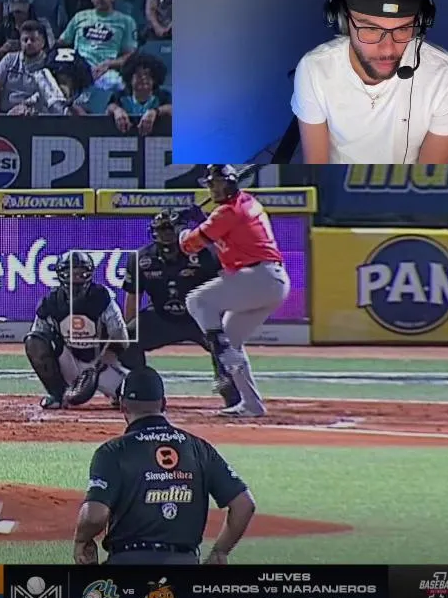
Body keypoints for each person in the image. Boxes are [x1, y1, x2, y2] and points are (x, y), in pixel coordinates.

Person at [292, 0, 448, 165]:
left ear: (420, 24)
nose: (388, 48)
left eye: (403, 28)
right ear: (342, 20)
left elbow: (428, 177)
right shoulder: (314, 69)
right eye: (371, 29)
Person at [74, 366, 257, 565]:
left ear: (123, 405)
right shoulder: (199, 448)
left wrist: (82, 539)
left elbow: (94, 517)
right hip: (185, 561)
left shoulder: (113, 451)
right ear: (163, 403)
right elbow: (244, 504)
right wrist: (219, 552)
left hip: (127, 560)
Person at [178, 165, 290, 417]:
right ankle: (251, 403)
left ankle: (222, 349)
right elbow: (224, 231)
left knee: (197, 300)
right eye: (211, 184)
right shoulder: (246, 201)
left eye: (219, 183)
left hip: (257, 277)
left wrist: (183, 227)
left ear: (231, 183)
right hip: (270, 280)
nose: (214, 189)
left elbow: (189, 246)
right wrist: (201, 220)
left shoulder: (227, 212)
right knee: (232, 337)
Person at [118, 210, 241, 409]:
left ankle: (230, 389)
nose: (165, 235)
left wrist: (224, 323)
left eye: (169, 229)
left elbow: (225, 287)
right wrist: (128, 328)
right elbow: (133, 296)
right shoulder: (141, 258)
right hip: (162, 317)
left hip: (199, 318)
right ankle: (140, 388)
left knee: (226, 342)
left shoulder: (205, 254)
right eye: (160, 230)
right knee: (127, 339)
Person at [24, 252, 130, 410]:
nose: (74, 279)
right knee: (33, 342)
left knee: (136, 394)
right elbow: (38, 337)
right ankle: (57, 394)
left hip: (100, 363)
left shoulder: (102, 298)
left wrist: (102, 362)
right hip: (68, 360)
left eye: (80, 274)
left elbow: (121, 337)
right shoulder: (50, 301)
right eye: (69, 273)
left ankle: (117, 392)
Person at [59, 0, 136, 93]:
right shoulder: (80, 16)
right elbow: (62, 42)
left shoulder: (126, 21)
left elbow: (130, 55)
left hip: (106, 70)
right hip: (78, 67)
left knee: (117, 84)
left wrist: (109, 64)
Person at [0, 0, 54, 70]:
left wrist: (30, 47)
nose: (18, 15)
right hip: (10, 69)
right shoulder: (4, 27)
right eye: (16, 12)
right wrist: (3, 50)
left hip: (36, 67)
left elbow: (50, 53)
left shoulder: (41, 26)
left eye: (21, 12)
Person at [106, 52, 170, 134]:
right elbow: (110, 108)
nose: (143, 78)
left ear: (154, 78)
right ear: (130, 78)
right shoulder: (120, 96)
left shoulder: (163, 96)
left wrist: (155, 112)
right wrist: (117, 110)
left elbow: (171, 109)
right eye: (138, 75)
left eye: (147, 74)